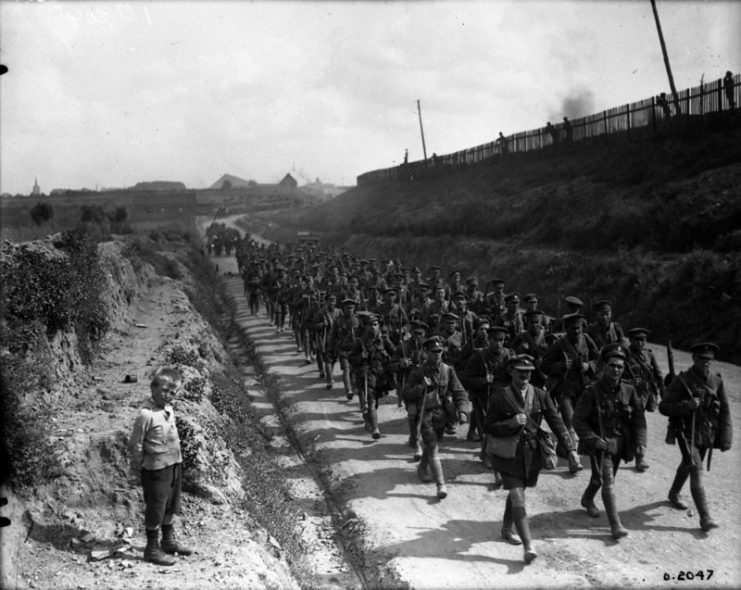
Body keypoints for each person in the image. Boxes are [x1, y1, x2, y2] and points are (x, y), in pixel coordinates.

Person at [484, 355, 577, 563]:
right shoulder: (500, 397)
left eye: (528, 372)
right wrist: (511, 423)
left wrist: (570, 449)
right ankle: (528, 546)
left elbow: (556, 422)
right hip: (508, 455)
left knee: (518, 492)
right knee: (518, 496)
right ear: (511, 372)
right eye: (520, 371)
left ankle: (507, 528)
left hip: (530, 455)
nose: (525, 375)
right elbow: (488, 426)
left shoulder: (540, 395)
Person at [573, 344, 647, 539]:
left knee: (601, 478)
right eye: (612, 365)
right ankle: (615, 525)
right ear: (604, 366)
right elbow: (578, 420)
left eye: (620, 367)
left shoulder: (629, 390)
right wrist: (593, 439)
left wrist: (640, 442)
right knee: (608, 481)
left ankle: (587, 499)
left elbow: (639, 418)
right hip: (600, 444)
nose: (616, 370)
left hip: (620, 444)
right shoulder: (592, 391)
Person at [659, 342, 732, 532]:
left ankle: (674, 493)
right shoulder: (682, 380)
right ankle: (705, 518)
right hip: (685, 433)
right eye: (702, 359)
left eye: (709, 360)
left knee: (687, 463)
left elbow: (724, 410)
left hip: (706, 433)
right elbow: (664, 407)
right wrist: (686, 406)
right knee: (695, 468)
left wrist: (725, 438)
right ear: (693, 358)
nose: (706, 363)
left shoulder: (716, 380)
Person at [129, 368, 194, 566]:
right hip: (156, 468)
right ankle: (152, 549)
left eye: (173, 393)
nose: (169, 395)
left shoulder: (168, 410)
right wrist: (138, 466)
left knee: (170, 503)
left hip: (174, 464)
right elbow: (136, 444)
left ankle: (168, 541)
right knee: (156, 506)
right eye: (165, 390)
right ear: (153, 388)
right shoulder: (146, 414)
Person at [402, 336, 470, 499]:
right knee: (432, 447)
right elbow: (405, 393)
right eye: (433, 351)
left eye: (439, 351)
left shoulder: (448, 370)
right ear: (426, 352)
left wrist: (462, 410)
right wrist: (421, 388)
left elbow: (459, 391)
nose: (437, 354)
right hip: (424, 414)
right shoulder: (418, 372)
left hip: (442, 415)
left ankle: (422, 468)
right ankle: (441, 485)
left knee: (434, 443)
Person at [541, 312, 599, 467]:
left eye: (579, 328)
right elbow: (544, 365)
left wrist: (590, 366)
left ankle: (563, 447)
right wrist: (560, 366)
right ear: (567, 329)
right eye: (573, 329)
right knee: (570, 422)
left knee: (583, 420)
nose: (577, 332)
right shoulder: (559, 344)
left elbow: (599, 359)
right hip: (565, 390)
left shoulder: (586, 339)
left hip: (584, 388)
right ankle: (574, 459)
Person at [623, 327, 666, 471]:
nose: (641, 343)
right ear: (631, 340)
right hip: (627, 394)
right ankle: (634, 454)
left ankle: (639, 456)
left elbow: (659, 375)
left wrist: (663, 391)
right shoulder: (625, 354)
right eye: (637, 340)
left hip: (644, 395)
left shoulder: (649, 355)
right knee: (632, 422)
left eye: (643, 340)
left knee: (638, 422)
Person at [349, 314, 397, 439]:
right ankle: (376, 429)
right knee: (371, 401)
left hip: (382, 377)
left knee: (375, 403)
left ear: (379, 326)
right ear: (366, 327)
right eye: (370, 325)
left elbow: (395, 353)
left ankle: (369, 419)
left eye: (375, 325)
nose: (373, 328)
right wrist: (361, 357)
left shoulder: (384, 340)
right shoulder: (360, 342)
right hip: (366, 376)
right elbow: (351, 359)